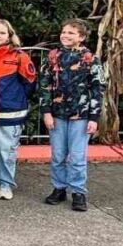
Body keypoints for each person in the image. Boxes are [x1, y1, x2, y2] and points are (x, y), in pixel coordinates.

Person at [40, 18, 102, 212]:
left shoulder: (90, 59)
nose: (65, 35)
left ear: (81, 37)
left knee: (77, 156)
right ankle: (59, 188)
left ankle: (78, 191)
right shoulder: (53, 56)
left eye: (71, 33)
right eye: (64, 32)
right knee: (58, 154)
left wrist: (94, 117)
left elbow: (97, 89)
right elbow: (44, 86)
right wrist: (46, 112)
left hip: (80, 116)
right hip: (57, 115)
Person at [0, 19, 36, 201]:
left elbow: (30, 84)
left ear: (10, 35)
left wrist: (14, 100)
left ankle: (5, 184)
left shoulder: (20, 57)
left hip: (11, 114)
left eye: (2, 32)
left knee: (7, 151)